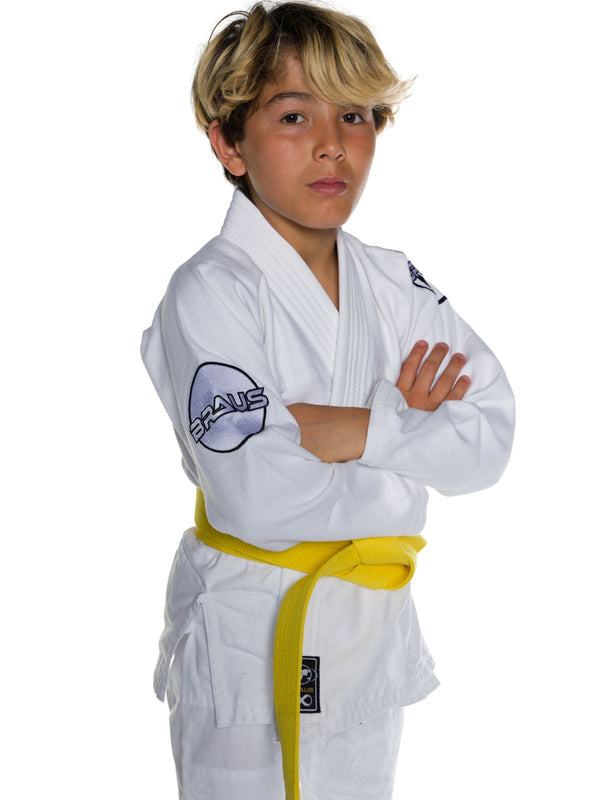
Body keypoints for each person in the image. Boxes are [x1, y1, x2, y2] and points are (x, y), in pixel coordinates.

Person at [140, 2, 515, 799]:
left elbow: (488, 441)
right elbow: (260, 499)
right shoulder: (208, 293)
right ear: (228, 143)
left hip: (368, 635)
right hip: (255, 635)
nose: (332, 144)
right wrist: (408, 443)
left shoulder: (391, 280)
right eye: (292, 114)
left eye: (354, 114)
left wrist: (348, 428)